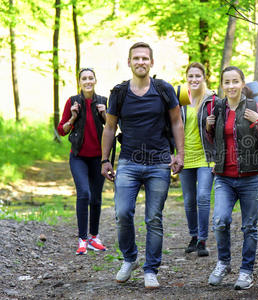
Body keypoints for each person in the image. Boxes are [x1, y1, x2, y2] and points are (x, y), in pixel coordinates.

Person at [100, 42, 184, 289]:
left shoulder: (164, 89)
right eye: (136, 58)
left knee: (153, 218)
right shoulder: (119, 92)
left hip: (159, 163)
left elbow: (177, 122)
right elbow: (109, 127)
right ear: (129, 62)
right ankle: (129, 258)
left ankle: (151, 269)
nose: (140, 62)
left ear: (151, 62)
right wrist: (105, 160)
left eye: (145, 58)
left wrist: (180, 154)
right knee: (123, 212)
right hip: (128, 163)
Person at [205, 66, 258, 290]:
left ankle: (246, 272)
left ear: (242, 83)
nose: (231, 86)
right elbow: (213, 141)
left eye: (235, 81)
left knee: (249, 227)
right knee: (220, 221)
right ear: (222, 85)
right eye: (227, 82)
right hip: (224, 176)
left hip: (251, 178)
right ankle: (223, 263)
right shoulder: (218, 108)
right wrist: (208, 127)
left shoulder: (256, 107)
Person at [57, 68, 108, 255]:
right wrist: (73, 116)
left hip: (98, 157)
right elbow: (62, 130)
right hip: (78, 157)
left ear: (95, 80)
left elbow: (114, 127)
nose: (88, 81)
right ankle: (82, 239)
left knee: (96, 197)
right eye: (84, 79)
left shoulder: (103, 101)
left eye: (90, 78)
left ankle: (94, 237)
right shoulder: (73, 101)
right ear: (79, 82)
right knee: (84, 194)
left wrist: (105, 114)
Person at [180, 62, 219, 257]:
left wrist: (210, 126)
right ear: (186, 78)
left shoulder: (212, 100)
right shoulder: (180, 99)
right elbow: (171, 128)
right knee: (188, 200)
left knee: (203, 197)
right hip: (185, 158)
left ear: (204, 78)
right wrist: (173, 153)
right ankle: (194, 236)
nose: (194, 79)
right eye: (191, 76)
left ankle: (203, 240)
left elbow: (220, 131)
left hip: (206, 157)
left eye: (198, 76)